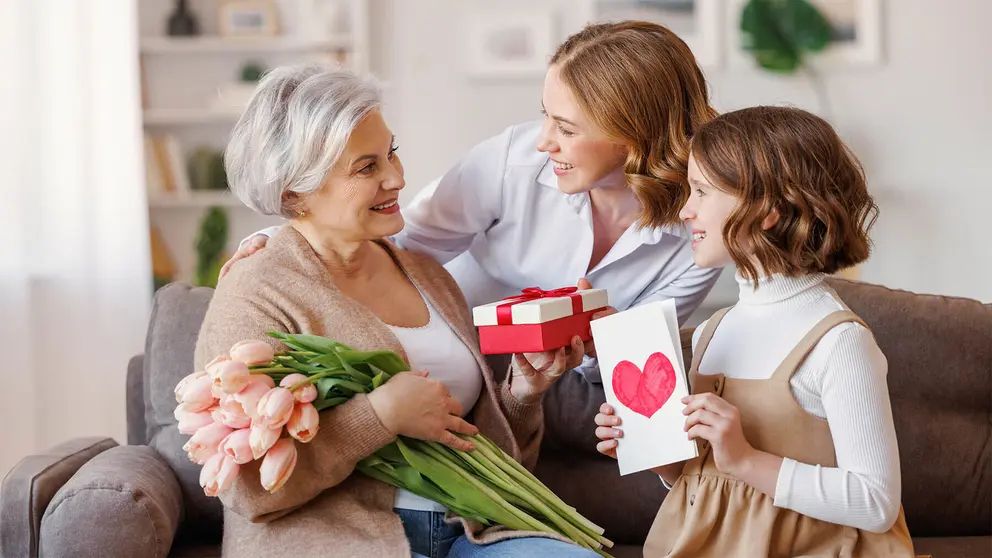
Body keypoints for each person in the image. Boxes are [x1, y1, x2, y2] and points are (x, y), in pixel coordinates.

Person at [195, 62, 597, 558]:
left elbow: (483, 450)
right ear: (293, 191)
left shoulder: (428, 275)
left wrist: (523, 393)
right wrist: (379, 416)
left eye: (392, 154)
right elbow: (246, 489)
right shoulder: (257, 290)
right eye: (367, 168)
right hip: (338, 542)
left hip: (470, 533)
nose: (397, 178)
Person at [221, 20, 722, 383]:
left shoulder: (701, 228)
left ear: (633, 138)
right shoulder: (514, 161)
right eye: (545, 115)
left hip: (570, 383)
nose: (544, 141)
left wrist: (596, 341)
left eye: (566, 129)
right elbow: (401, 239)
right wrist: (276, 242)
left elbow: (634, 361)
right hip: (463, 361)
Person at [594, 106, 917, 557]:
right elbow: (703, 480)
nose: (686, 210)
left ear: (765, 211)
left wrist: (746, 459)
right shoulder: (712, 331)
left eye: (702, 192)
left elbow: (876, 502)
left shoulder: (838, 342)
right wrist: (655, 452)